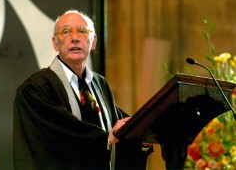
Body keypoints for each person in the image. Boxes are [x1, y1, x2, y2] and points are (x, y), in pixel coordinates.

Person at [13, 10, 153, 170]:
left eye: (82, 31)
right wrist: (105, 139)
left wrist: (142, 137)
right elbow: (58, 136)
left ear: (93, 42)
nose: (74, 38)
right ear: (55, 43)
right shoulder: (35, 89)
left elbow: (119, 130)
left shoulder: (100, 84)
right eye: (66, 31)